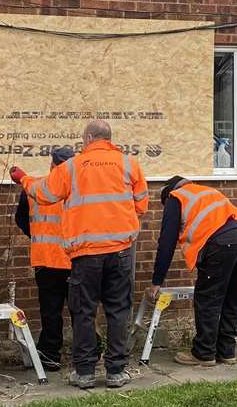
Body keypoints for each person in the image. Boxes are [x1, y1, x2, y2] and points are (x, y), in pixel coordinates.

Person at [12, 120, 147, 390]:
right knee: (118, 309)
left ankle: (84, 373)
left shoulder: (73, 167)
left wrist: (24, 179)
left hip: (85, 254)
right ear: (109, 138)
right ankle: (116, 372)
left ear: (87, 138)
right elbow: (141, 204)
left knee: (83, 311)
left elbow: (44, 193)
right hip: (120, 250)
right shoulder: (129, 164)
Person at [149, 177, 237, 367]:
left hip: (222, 242)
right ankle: (227, 351)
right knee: (232, 296)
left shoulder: (176, 197)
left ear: (169, 192)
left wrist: (157, 281)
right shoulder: (206, 192)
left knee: (209, 298)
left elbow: (166, 242)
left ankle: (204, 353)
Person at [12, 146, 76, 371]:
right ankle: (87, 353)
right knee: (81, 310)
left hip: (46, 260)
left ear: (52, 165)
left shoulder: (35, 187)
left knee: (50, 310)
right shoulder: (80, 190)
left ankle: (50, 354)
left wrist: (38, 236)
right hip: (75, 259)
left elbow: (20, 219)